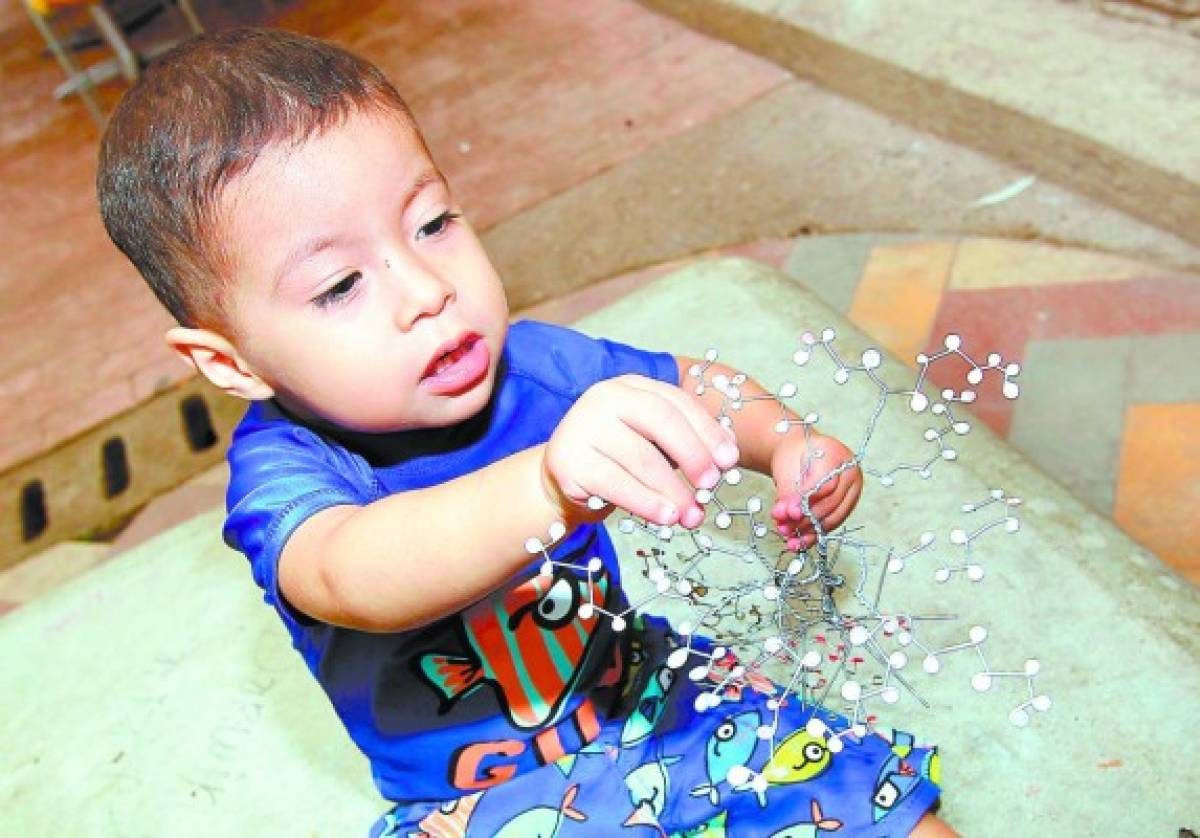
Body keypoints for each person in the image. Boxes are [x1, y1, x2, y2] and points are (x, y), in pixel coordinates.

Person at [97, 27, 952, 837]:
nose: (426, 288)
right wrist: (549, 483)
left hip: (643, 694)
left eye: (431, 224)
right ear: (232, 361)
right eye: (339, 286)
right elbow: (352, 573)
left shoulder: (532, 365)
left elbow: (694, 382)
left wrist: (783, 441)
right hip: (479, 796)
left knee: (878, 799)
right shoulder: (286, 473)